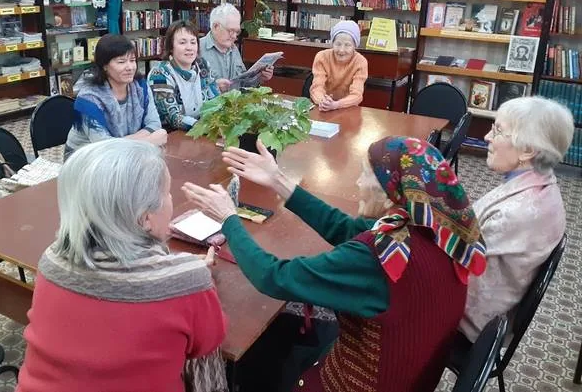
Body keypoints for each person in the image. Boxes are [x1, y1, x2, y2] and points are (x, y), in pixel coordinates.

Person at [183, 136, 487, 392]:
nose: (357, 182)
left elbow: (273, 277)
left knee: (252, 353)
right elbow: (347, 229)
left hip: (360, 383)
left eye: (365, 176)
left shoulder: (379, 258)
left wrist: (229, 219)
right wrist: (278, 180)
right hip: (407, 374)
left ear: (390, 192)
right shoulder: (438, 230)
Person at [16, 139, 227, 392]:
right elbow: (208, 342)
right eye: (167, 193)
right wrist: (190, 275)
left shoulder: (52, 259)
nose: (171, 198)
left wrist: (178, 270)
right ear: (145, 218)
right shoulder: (189, 280)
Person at [459, 96, 574, 343]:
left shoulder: (517, 212)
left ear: (528, 150)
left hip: (467, 325)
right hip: (488, 308)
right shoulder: (543, 184)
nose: (487, 137)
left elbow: (455, 258)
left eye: (498, 131)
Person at [64, 34, 166, 159]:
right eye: (121, 62)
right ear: (104, 66)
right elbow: (105, 147)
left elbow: (154, 124)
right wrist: (149, 141)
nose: (130, 67)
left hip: (126, 155)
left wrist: (123, 143)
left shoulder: (140, 86)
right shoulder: (88, 98)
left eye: (132, 60)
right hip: (87, 159)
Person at [148, 20, 222, 131]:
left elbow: (216, 100)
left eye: (193, 42)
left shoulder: (203, 65)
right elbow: (173, 117)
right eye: (182, 43)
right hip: (171, 135)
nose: (189, 47)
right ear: (171, 47)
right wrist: (204, 127)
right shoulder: (159, 74)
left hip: (204, 131)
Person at [199, 3, 274, 89]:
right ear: (215, 26)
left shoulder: (233, 49)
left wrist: (260, 78)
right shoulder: (197, 49)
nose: (234, 36)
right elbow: (189, 89)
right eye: (231, 31)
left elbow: (243, 84)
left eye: (237, 32)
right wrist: (214, 87)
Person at [309, 20, 368, 112]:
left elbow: (357, 95)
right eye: (338, 44)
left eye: (347, 45)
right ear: (332, 43)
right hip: (322, 107)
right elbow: (317, 87)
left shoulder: (360, 61)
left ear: (355, 46)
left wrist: (336, 105)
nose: (341, 50)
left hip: (347, 108)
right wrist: (323, 101)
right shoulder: (322, 57)